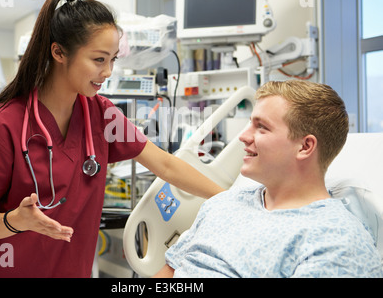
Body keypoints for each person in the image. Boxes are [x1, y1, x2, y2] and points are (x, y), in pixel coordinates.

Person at [0, 0, 223, 278]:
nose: (107, 72)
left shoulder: (102, 115)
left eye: (113, 60)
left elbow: (166, 165)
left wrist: (229, 199)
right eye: (98, 59)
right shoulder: (2, 125)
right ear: (58, 52)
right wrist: (17, 220)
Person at [155, 80, 383, 278]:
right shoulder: (221, 205)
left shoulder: (337, 241)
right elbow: (170, 270)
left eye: (261, 127)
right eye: (250, 124)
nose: (243, 137)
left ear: (305, 147)